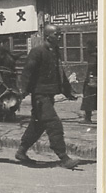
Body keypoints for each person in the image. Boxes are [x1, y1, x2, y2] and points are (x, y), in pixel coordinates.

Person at [15, 24, 80, 170]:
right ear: (48, 36)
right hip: (39, 96)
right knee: (54, 123)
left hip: (48, 95)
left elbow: (59, 73)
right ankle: (63, 158)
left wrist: (68, 92)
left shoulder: (55, 51)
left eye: (60, 34)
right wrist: (22, 92)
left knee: (38, 125)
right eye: (56, 34)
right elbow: (27, 73)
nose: (59, 37)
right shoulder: (37, 52)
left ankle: (21, 151)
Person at [80, 44, 97, 124]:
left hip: (92, 80)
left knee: (88, 99)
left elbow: (91, 66)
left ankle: (87, 118)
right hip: (96, 79)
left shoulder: (93, 57)